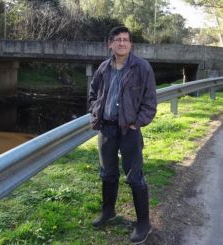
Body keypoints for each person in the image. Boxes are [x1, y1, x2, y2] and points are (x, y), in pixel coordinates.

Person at [88, 26, 157, 244]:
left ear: (131, 44)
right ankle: (108, 212)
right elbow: (93, 94)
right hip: (106, 129)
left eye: (125, 40)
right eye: (117, 39)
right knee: (107, 174)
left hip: (129, 130)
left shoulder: (142, 67)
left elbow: (150, 101)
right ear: (110, 44)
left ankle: (143, 224)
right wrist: (95, 111)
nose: (122, 43)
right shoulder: (103, 68)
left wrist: (138, 123)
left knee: (135, 177)